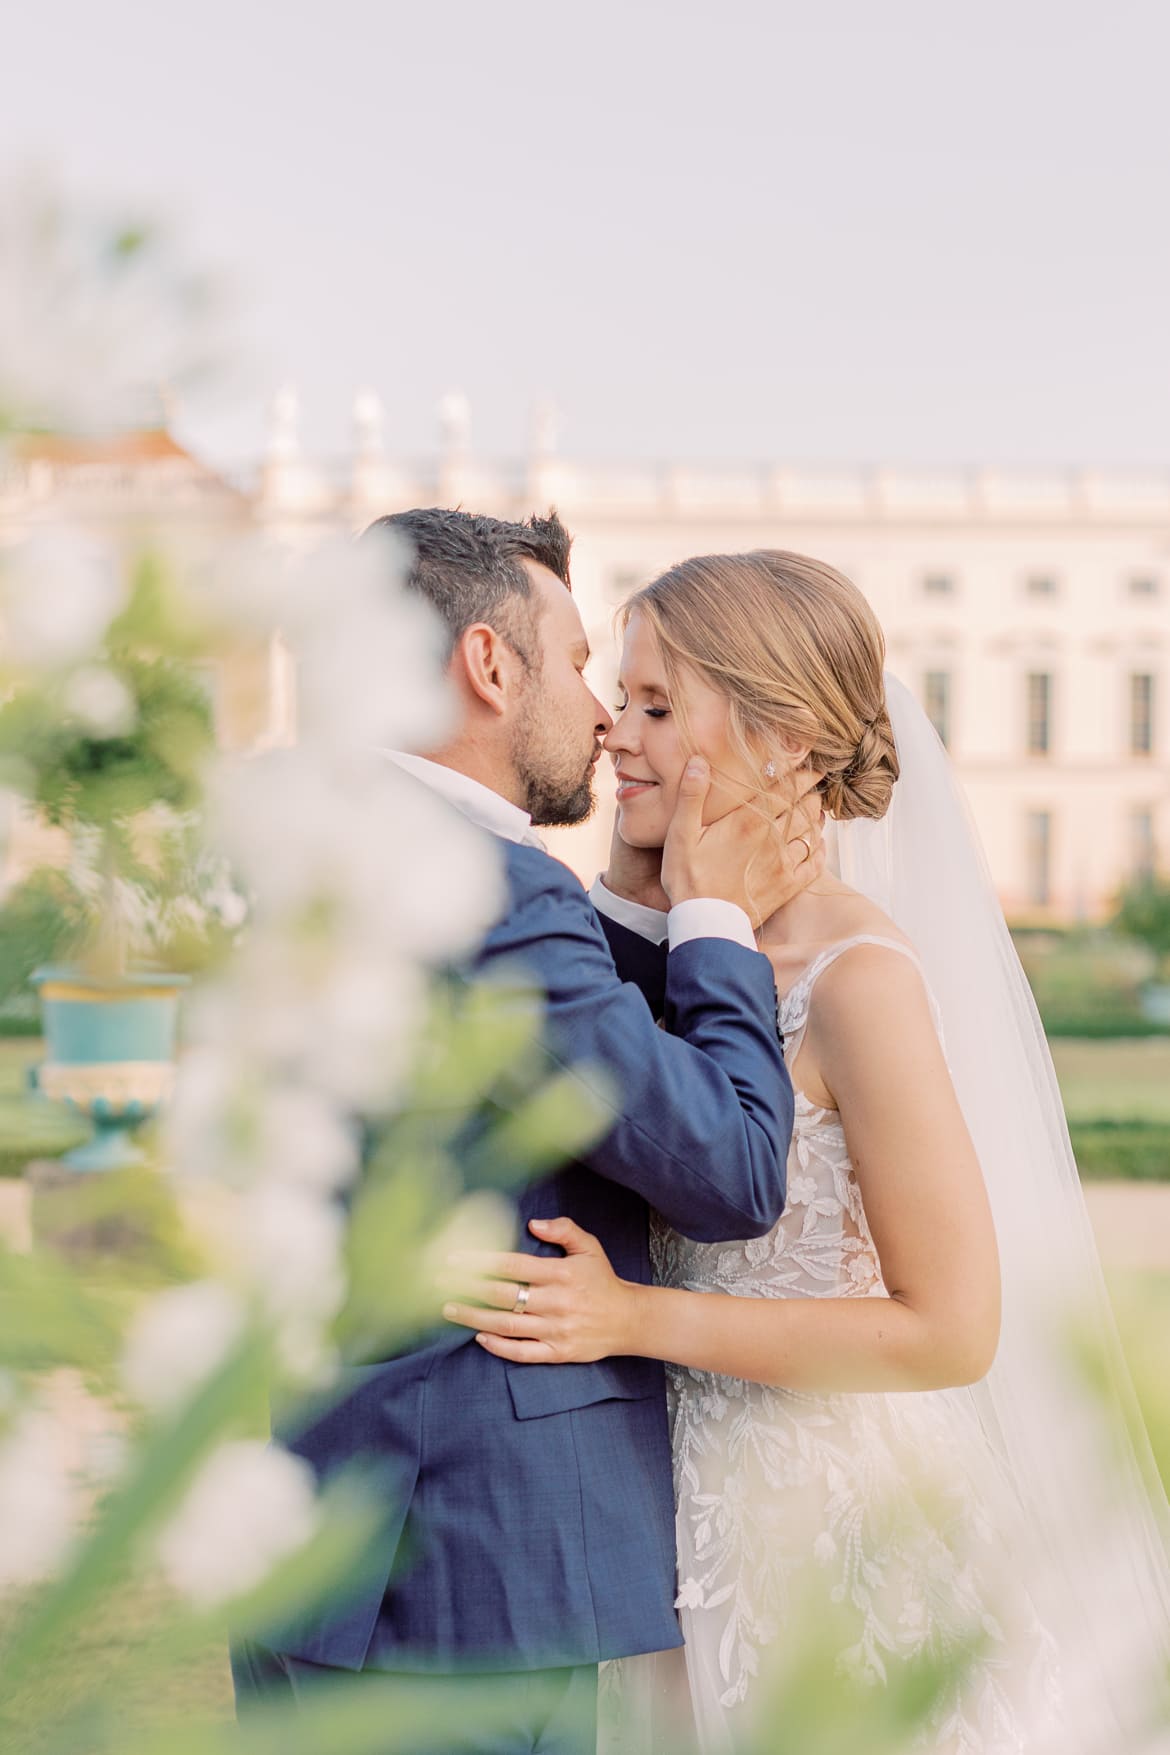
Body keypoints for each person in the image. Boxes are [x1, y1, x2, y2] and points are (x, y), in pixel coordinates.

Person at [443, 549, 1170, 1753]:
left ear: (782, 742)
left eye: (659, 708)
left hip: (823, 1527)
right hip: (662, 1526)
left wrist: (633, 1320)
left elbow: (952, 1328)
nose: (615, 733)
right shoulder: (673, 942)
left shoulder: (857, 979)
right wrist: (638, 875)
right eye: (623, 698)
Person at [231, 512, 824, 1755]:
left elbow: (554, 1044)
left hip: (326, 1545)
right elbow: (727, 1170)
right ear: (491, 667)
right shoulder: (492, 895)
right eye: (577, 668)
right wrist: (713, 917)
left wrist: (636, 895)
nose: (606, 717)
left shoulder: (315, 844)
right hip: (466, 1581)